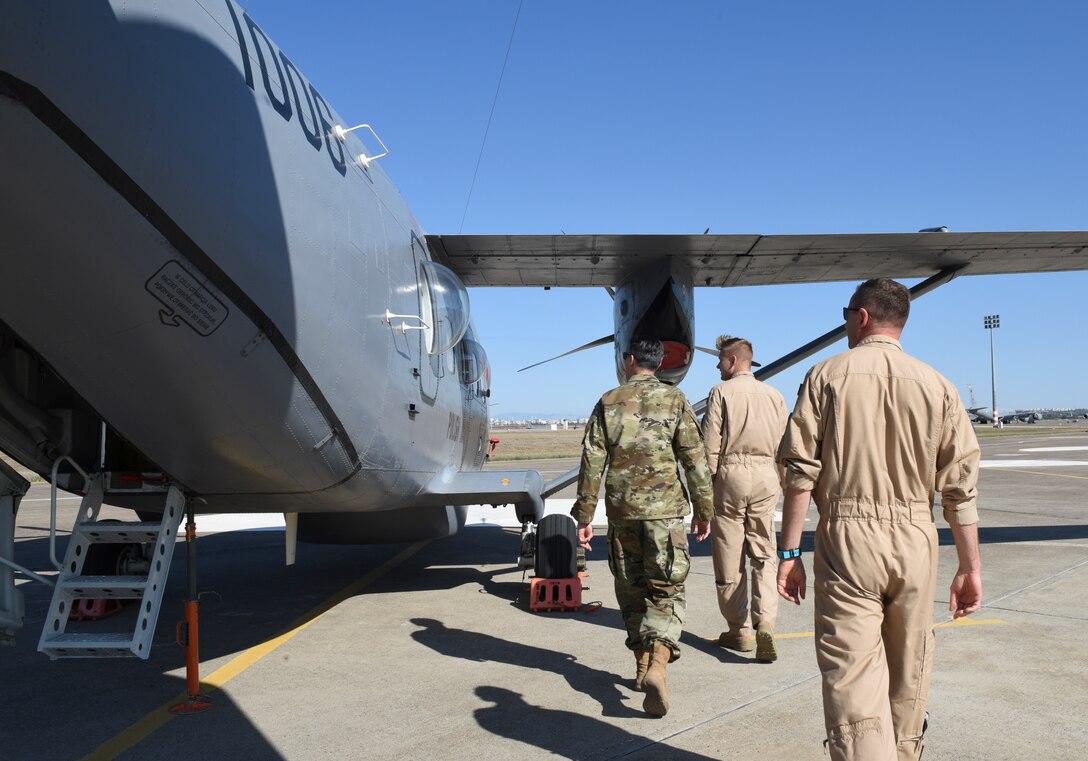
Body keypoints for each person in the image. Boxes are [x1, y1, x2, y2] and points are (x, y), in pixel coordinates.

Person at [776, 278, 982, 761]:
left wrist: (789, 554)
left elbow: (800, 474)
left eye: (847, 312)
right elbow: (960, 488)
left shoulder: (826, 376)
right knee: (909, 671)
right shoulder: (938, 385)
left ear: (862, 316)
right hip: (915, 538)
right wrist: (970, 567)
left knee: (851, 677)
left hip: (849, 537)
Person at [571, 336, 714, 718]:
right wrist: (704, 508)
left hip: (622, 514)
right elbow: (694, 458)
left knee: (631, 590)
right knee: (666, 591)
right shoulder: (676, 400)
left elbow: (591, 463)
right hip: (665, 516)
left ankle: (640, 664)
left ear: (630, 359)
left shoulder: (608, 401)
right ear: (660, 362)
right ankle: (658, 664)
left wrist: (584, 517)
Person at [701, 335, 788, 663]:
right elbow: (784, 444)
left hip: (731, 474)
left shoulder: (721, 392)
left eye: (721, 360)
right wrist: (780, 478)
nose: (717, 365)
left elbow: (711, 443)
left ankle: (740, 630)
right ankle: (765, 620)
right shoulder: (774, 395)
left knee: (729, 554)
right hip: (766, 475)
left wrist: (706, 488)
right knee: (764, 552)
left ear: (733, 361)